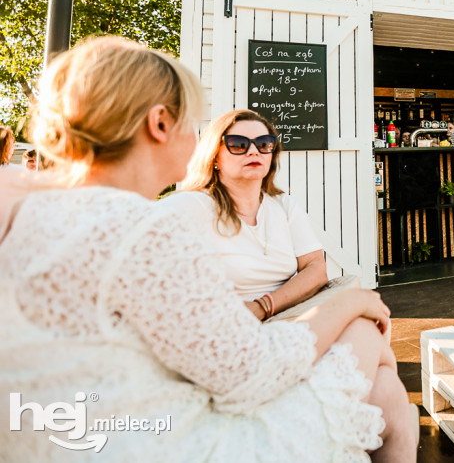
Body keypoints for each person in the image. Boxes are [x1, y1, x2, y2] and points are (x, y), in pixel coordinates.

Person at [0, 36, 416, 461]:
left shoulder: (43, 210)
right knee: (367, 334)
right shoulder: (140, 224)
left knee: (388, 392)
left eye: (264, 143)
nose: (253, 151)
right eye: (194, 123)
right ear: (160, 123)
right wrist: (349, 304)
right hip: (163, 439)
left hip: (88, 424)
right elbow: (247, 374)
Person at [159, 109, 328, 318]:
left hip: (285, 313)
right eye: (238, 144)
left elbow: (316, 268)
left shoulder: (284, 205)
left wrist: (263, 307)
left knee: (364, 311)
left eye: (264, 143)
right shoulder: (191, 205)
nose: (254, 151)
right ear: (214, 157)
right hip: (228, 324)